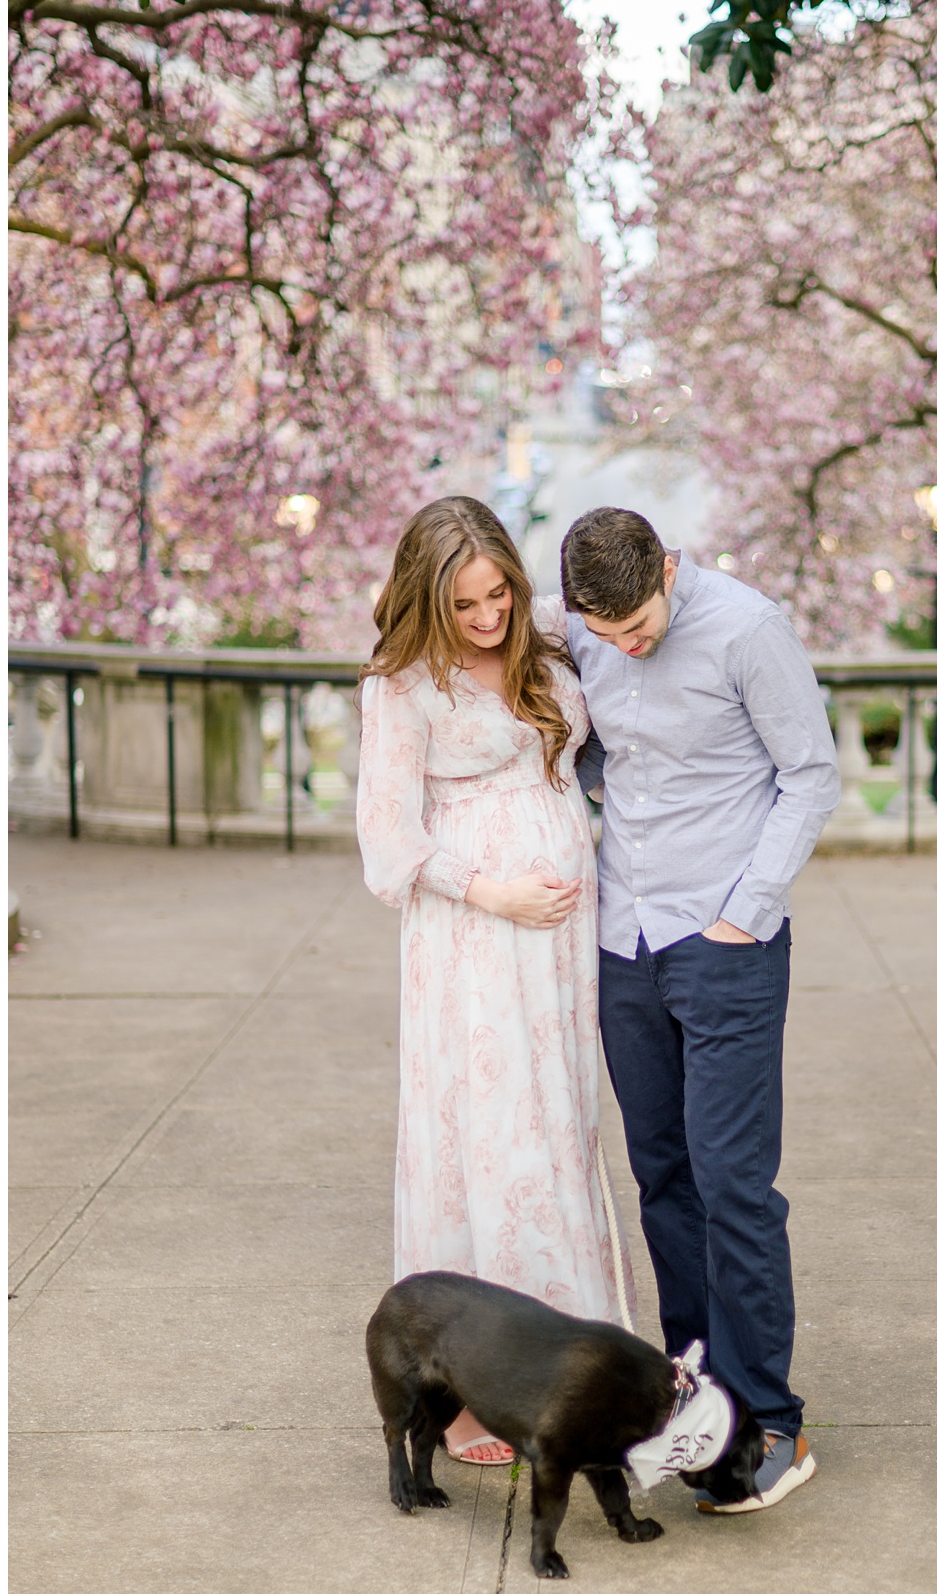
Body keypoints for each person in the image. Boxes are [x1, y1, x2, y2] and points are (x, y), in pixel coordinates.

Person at [558, 507, 839, 1513]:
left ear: (670, 568)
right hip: (623, 938)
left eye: (640, 625)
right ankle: (697, 1397)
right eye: (610, 632)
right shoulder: (581, 623)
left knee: (733, 1184)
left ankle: (773, 1418)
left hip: (724, 943)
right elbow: (594, 746)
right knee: (663, 1176)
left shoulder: (749, 628)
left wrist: (743, 917)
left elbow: (812, 775)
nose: (627, 644)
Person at [355, 496, 635, 1468]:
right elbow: (388, 845)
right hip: (473, 939)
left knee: (557, 1126)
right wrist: (495, 890)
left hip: (559, 946)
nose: (487, 619)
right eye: (466, 606)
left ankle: (569, 1360)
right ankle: (469, 1384)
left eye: (499, 596)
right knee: (485, 1135)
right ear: (431, 603)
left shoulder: (550, 641)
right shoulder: (401, 685)